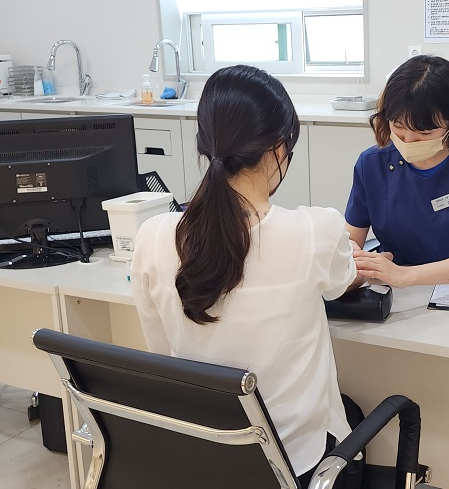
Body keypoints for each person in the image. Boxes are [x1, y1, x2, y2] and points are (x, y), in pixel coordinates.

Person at [130, 65, 362, 487]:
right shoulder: (316, 231)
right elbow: (343, 280)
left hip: (203, 454)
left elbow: (163, 354)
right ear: (278, 149)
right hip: (294, 461)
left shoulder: (151, 237)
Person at [346, 54, 449, 287]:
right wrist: (351, 255)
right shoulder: (371, 164)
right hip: (397, 294)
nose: (408, 141)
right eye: (398, 127)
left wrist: (405, 276)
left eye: (424, 133)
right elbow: (352, 240)